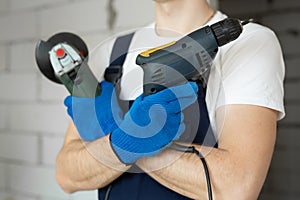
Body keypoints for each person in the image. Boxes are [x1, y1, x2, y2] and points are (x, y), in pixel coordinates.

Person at [56, 0, 285, 199]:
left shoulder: (248, 43)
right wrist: (130, 139)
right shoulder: (111, 51)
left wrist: (118, 136)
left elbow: (235, 189)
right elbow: (67, 175)